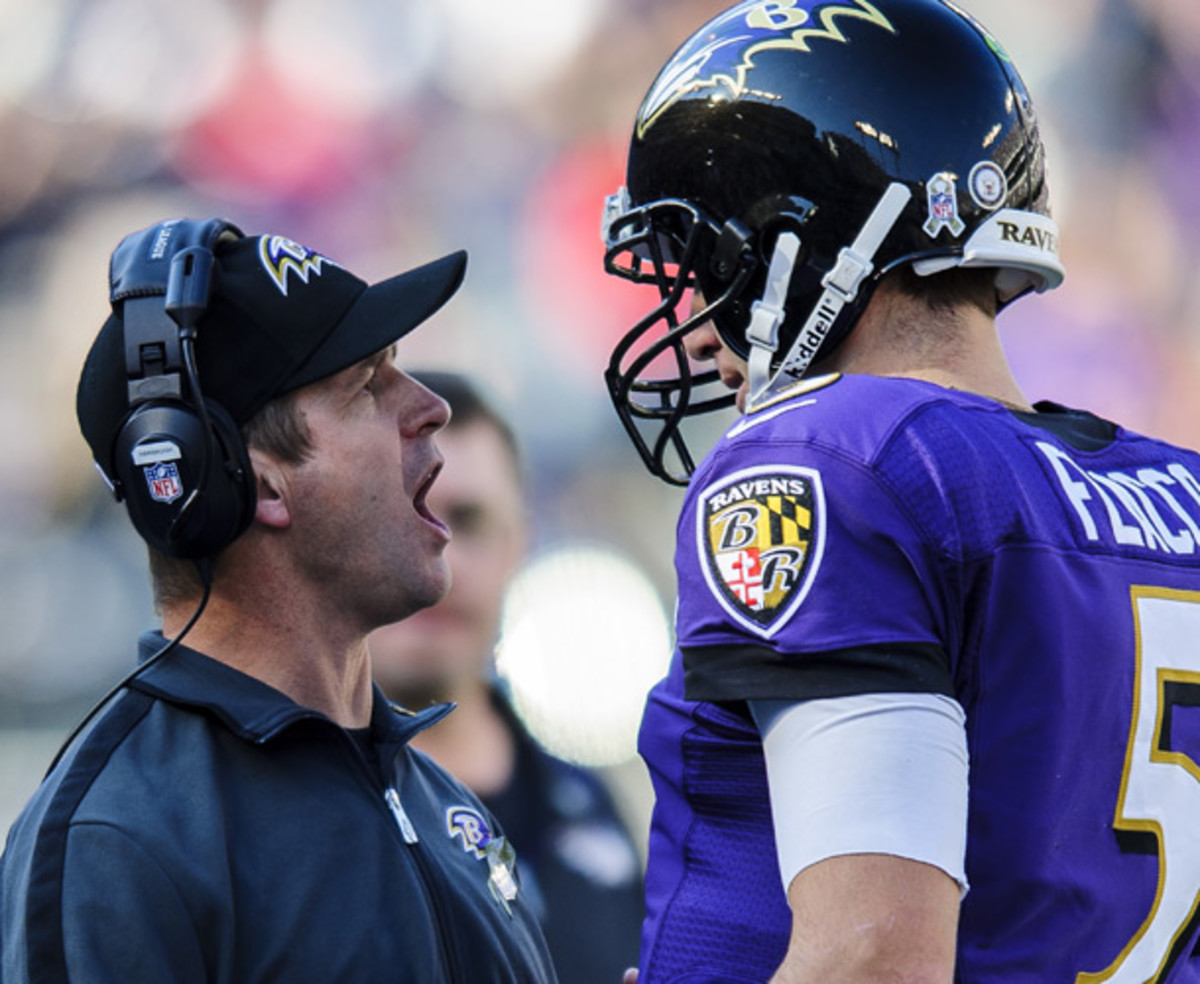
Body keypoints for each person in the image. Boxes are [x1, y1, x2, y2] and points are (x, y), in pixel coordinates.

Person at [600, 1, 1200, 981]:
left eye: (708, 258)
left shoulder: (834, 459)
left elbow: (873, 954)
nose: (697, 326)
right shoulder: (1181, 496)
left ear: (823, 234)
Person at [0, 218, 557, 983]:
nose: (431, 408)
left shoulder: (438, 798)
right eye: (368, 383)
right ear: (256, 479)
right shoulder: (119, 840)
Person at [369, 369, 645, 984]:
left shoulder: (586, 807)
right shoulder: (269, 813)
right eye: (406, 513)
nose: (439, 558)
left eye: (468, 520)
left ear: (520, 542)